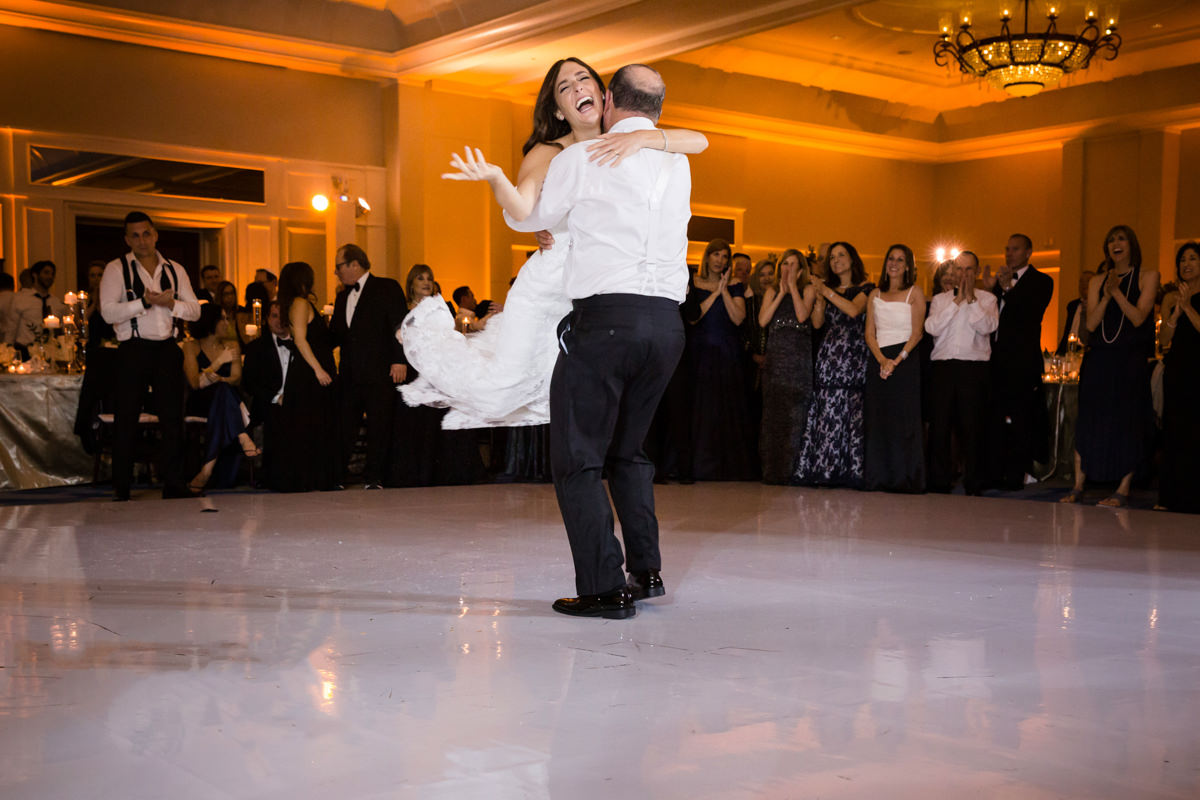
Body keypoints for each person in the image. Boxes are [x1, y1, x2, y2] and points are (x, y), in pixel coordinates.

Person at [399, 56, 707, 431]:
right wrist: (498, 180)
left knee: (588, 400)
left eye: (583, 79)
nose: (577, 88)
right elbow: (524, 208)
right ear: (560, 111)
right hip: (551, 284)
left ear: (604, 95)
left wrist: (642, 136)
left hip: (604, 291)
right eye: (565, 88)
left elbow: (698, 140)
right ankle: (431, 340)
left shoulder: (636, 146)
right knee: (502, 389)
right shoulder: (552, 152)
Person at [504, 63, 692, 619]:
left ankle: (604, 588)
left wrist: (527, 211)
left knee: (578, 458)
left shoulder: (578, 159)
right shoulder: (676, 160)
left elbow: (528, 217)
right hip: (668, 329)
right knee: (627, 451)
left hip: (608, 323)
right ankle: (647, 572)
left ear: (607, 98)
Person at [99, 211, 202, 500]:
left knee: (172, 417)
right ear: (126, 239)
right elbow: (108, 312)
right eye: (135, 235)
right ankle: (122, 485)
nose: (141, 240)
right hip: (132, 349)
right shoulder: (116, 269)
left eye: (146, 233)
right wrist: (142, 302)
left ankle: (173, 483)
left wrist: (172, 304)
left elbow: (195, 309)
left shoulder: (175, 269)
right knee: (127, 416)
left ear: (155, 234)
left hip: (167, 348)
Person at [1063, 225, 1159, 507]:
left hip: (1129, 360)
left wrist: (1117, 293)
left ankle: (1123, 488)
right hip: (1099, 359)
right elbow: (1091, 325)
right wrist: (1105, 294)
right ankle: (1079, 484)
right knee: (1089, 418)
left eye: (1121, 239)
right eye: (1111, 241)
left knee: (1126, 421)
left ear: (1132, 245)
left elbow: (1140, 317)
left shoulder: (1148, 276)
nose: (1115, 244)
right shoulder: (1097, 282)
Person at [390, 265, 485, 487]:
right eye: (420, 278)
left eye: (429, 279)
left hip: (437, 371)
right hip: (415, 371)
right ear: (411, 283)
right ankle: (418, 473)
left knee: (440, 421)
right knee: (418, 423)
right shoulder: (404, 309)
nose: (426, 282)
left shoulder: (439, 310)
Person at [330, 243, 407, 490]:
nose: (336, 272)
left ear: (354, 264)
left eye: (338, 266)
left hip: (379, 371)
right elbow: (337, 335)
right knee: (344, 425)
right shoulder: (342, 297)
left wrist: (399, 359)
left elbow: (399, 325)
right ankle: (337, 477)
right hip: (350, 374)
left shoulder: (386, 287)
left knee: (379, 425)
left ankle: (374, 477)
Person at [796, 242, 873, 487]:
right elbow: (818, 324)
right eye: (832, 257)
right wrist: (819, 300)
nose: (836, 260)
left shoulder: (866, 288)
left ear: (853, 260)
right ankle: (824, 467)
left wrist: (826, 292)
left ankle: (851, 470)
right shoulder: (827, 288)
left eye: (841, 255)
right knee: (827, 408)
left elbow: (853, 310)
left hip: (854, 355)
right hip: (830, 354)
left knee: (851, 410)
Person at [924, 251, 998, 495]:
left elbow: (987, 327)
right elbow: (931, 328)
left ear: (975, 272)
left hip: (973, 368)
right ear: (953, 272)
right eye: (959, 269)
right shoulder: (940, 300)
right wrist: (956, 303)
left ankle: (975, 481)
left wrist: (970, 301)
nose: (963, 274)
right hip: (943, 367)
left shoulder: (987, 299)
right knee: (940, 426)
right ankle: (938, 481)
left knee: (972, 427)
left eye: (969, 269)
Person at [983, 233, 1054, 490]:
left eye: (1015, 249)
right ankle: (994, 471)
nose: (1009, 253)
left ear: (1028, 252)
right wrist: (990, 288)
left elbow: (1028, 314)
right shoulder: (998, 281)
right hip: (996, 360)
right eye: (1006, 248)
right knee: (996, 418)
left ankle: (1016, 476)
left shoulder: (1042, 281)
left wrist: (1008, 290)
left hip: (1022, 363)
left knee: (1022, 419)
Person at [687, 238, 757, 480]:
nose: (720, 260)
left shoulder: (735, 286)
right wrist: (715, 292)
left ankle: (727, 468)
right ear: (707, 257)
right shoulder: (694, 283)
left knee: (727, 408)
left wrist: (724, 290)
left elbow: (738, 318)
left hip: (727, 352)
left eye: (724, 256)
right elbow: (693, 318)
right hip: (700, 351)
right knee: (702, 408)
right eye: (716, 255)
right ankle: (700, 466)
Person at [271, 261, 339, 492]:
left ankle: (314, 477)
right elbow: (300, 339)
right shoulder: (300, 303)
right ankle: (310, 478)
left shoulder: (298, 303)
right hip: (309, 374)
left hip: (310, 372)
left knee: (314, 426)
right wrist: (319, 370)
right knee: (311, 426)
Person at [863, 244, 926, 493]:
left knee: (904, 420)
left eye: (901, 260)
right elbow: (869, 333)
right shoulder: (874, 295)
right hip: (879, 359)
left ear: (908, 265)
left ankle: (904, 477)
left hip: (905, 360)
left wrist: (896, 361)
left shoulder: (915, 292)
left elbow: (917, 333)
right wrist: (881, 360)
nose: (895, 263)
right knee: (878, 419)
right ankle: (878, 477)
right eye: (891, 258)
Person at [182, 303, 260, 491]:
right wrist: (219, 362)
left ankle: (207, 470)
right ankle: (242, 436)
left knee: (223, 390)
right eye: (223, 319)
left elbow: (235, 379)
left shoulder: (232, 345)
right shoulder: (191, 346)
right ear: (210, 322)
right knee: (223, 392)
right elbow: (194, 383)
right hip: (201, 402)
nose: (227, 323)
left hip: (225, 400)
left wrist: (212, 377)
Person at [757, 249, 815, 484]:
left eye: (793, 264)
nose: (788, 269)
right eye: (784, 264)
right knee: (773, 416)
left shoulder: (807, 289)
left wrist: (792, 288)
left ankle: (793, 470)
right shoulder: (771, 291)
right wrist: (781, 293)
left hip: (798, 361)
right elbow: (762, 320)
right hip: (776, 361)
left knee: (796, 415)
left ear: (800, 269)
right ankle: (772, 470)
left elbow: (802, 316)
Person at [1158, 242, 1200, 512]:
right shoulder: (1171, 297)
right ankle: (1171, 497)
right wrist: (1175, 311)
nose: (1187, 264)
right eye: (1182, 259)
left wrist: (1188, 307)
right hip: (1178, 369)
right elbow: (1163, 340)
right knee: (1175, 432)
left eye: (1193, 259)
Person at [241, 300, 291, 487]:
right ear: (267, 319)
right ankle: (273, 475)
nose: (279, 321)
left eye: (283, 316)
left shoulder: (301, 344)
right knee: (276, 414)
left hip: (296, 401)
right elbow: (249, 384)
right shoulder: (256, 348)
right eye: (274, 316)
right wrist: (276, 397)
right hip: (268, 403)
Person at [8, 259, 68, 353]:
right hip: (25, 351)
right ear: (35, 275)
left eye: (52, 274)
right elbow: (10, 329)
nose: (50, 277)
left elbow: (62, 332)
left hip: (50, 352)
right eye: (46, 273)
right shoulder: (20, 299)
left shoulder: (57, 303)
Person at [1056, 268, 1098, 355]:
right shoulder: (1072, 305)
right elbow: (1067, 330)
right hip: (1070, 350)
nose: (1084, 284)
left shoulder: (1099, 305)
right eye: (1081, 281)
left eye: (1088, 281)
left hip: (1089, 351)